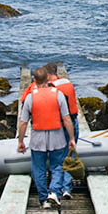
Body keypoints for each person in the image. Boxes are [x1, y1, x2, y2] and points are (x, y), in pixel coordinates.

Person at [17, 67, 76, 209]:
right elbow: (66, 119)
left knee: (39, 169)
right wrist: (72, 138)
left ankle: (43, 199)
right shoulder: (58, 94)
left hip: (38, 137)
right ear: (48, 79)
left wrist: (20, 141)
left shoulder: (30, 97)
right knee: (58, 166)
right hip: (57, 136)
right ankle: (54, 191)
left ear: (34, 80)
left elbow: (23, 122)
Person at [44, 62, 80, 200]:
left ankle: (54, 190)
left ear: (48, 75)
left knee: (57, 159)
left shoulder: (50, 88)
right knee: (69, 156)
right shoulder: (67, 83)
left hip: (60, 126)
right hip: (74, 122)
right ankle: (67, 188)